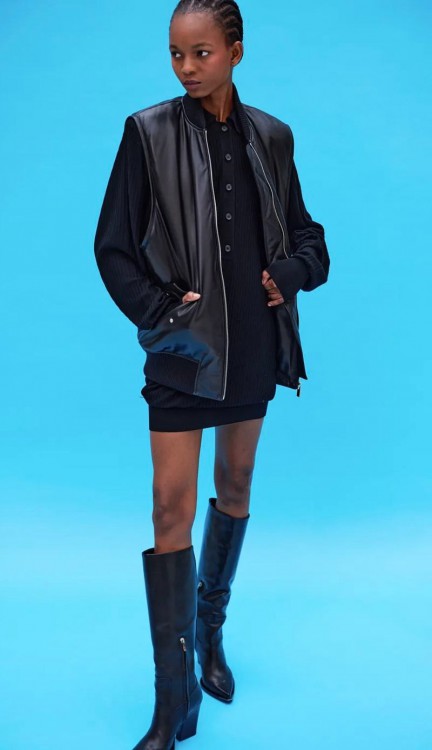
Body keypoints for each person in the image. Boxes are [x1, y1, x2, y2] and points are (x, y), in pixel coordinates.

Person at [94, 1, 330, 747]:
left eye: (201, 52)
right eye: (175, 53)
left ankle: (209, 633)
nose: (187, 67)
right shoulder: (146, 133)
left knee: (236, 483)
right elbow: (112, 248)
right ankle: (174, 701)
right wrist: (162, 311)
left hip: (253, 346)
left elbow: (311, 239)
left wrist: (288, 274)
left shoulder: (272, 137)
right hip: (182, 353)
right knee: (169, 504)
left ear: (236, 51)